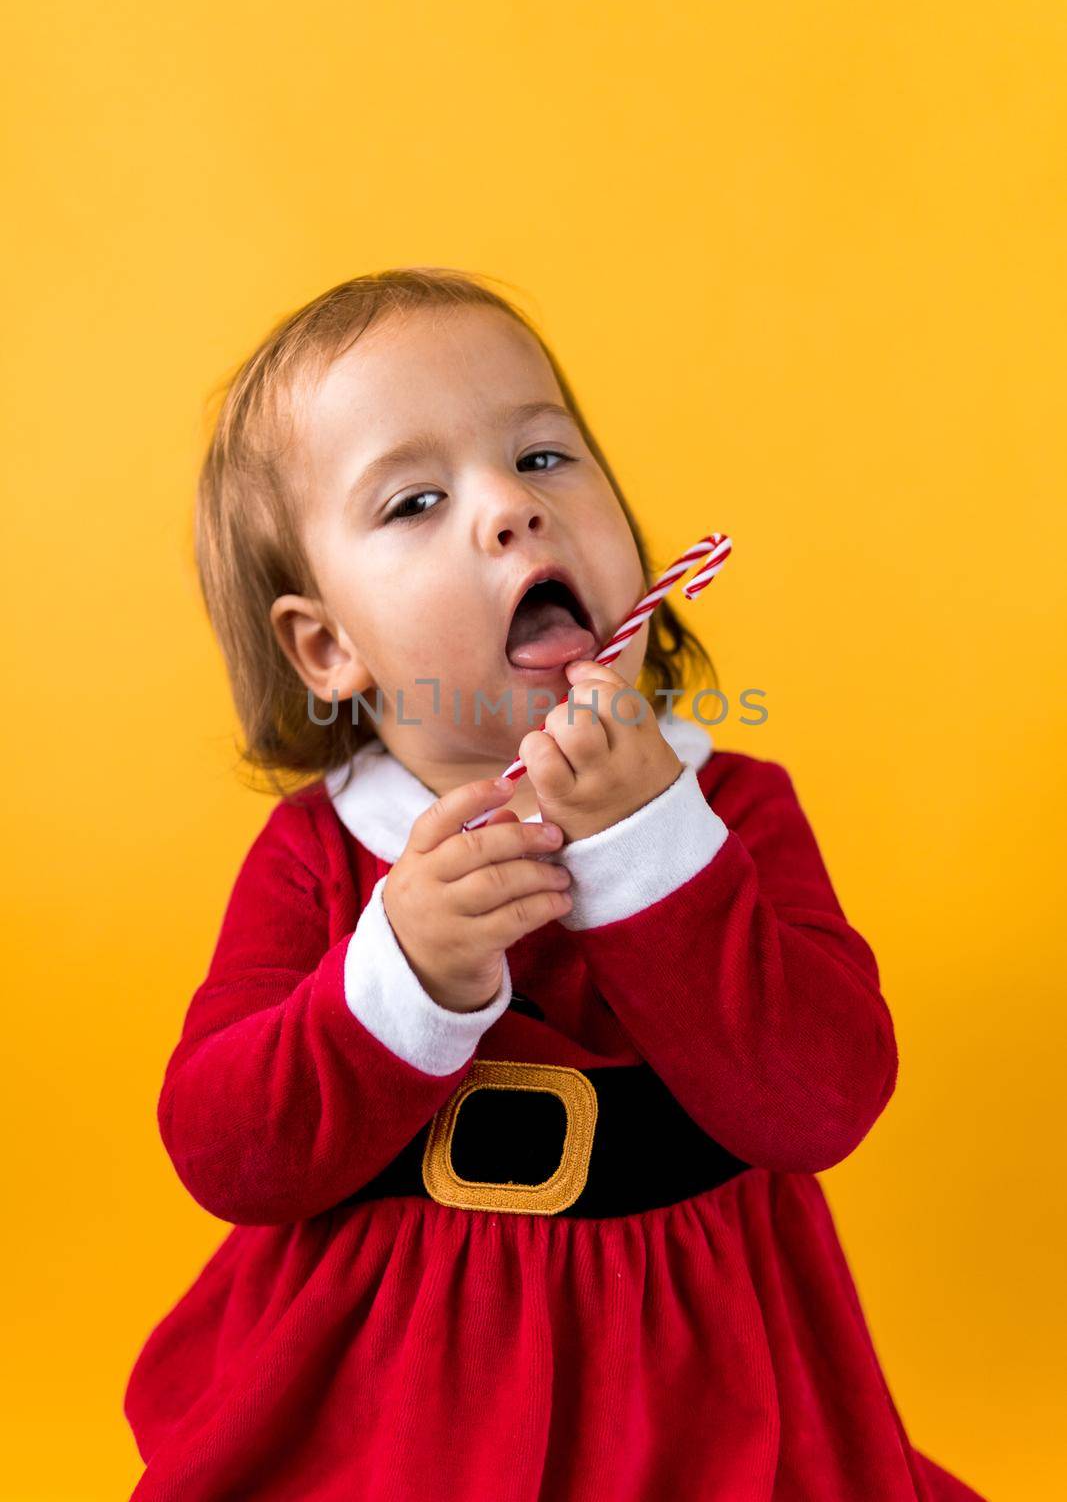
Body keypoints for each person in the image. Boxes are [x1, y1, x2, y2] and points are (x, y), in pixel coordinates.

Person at [123, 267, 987, 1500]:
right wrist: (399, 977)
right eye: (415, 500)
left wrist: (650, 852)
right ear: (326, 645)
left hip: (700, 1394)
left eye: (540, 460)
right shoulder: (323, 854)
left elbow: (822, 1102)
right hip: (394, 1404)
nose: (508, 513)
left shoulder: (730, 812)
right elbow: (226, 1153)